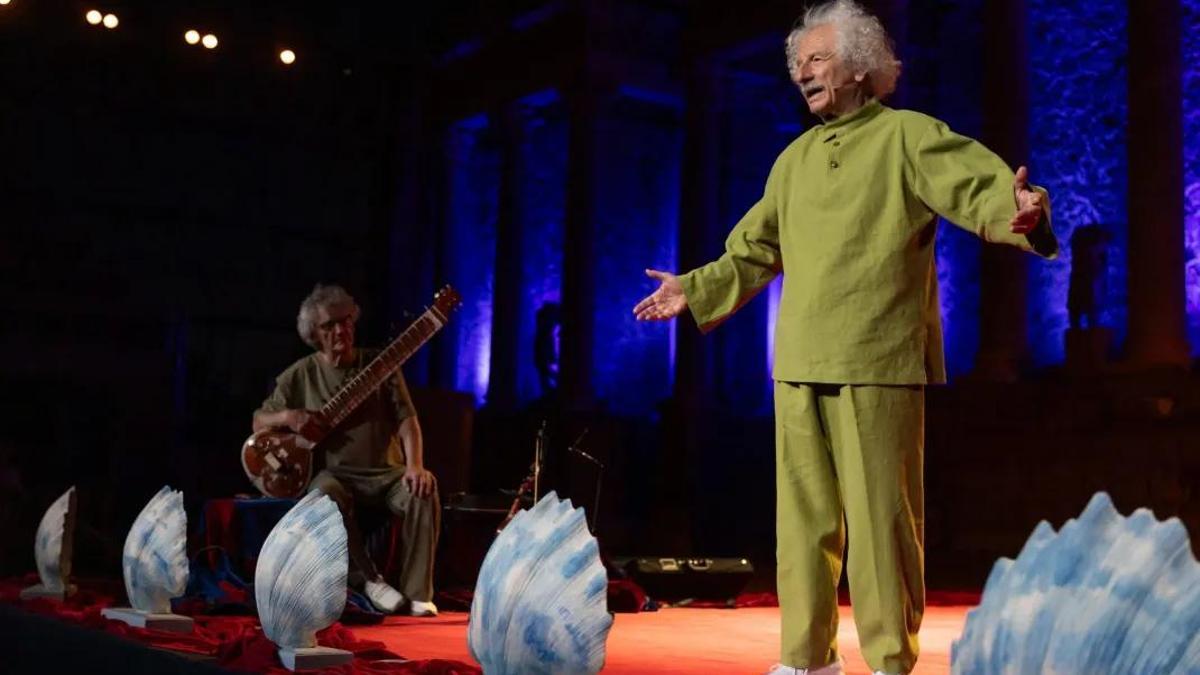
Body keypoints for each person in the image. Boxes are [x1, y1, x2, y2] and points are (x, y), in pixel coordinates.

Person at [632, 2, 1056, 674]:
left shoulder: (907, 136)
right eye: (797, 64)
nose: (802, 71)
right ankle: (806, 659)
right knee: (802, 527)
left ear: (862, 65)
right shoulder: (792, 160)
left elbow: (980, 187)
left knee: (884, 528)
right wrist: (694, 287)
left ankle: (889, 661)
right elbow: (753, 247)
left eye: (817, 58)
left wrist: (1022, 211)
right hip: (800, 359)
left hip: (879, 359)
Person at [253, 284, 440, 616]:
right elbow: (259, 422)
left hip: (388, 474)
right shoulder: (301, 374)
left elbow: (408, 420)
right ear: (314, 333)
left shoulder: (381, 365)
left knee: (423, 489)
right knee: (324, 496)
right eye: (330, 325)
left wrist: (415, 465)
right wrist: (289, 417)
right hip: (335, 476)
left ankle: (418, 595)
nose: (341, 330)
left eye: (346, 320)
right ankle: (369, 580)